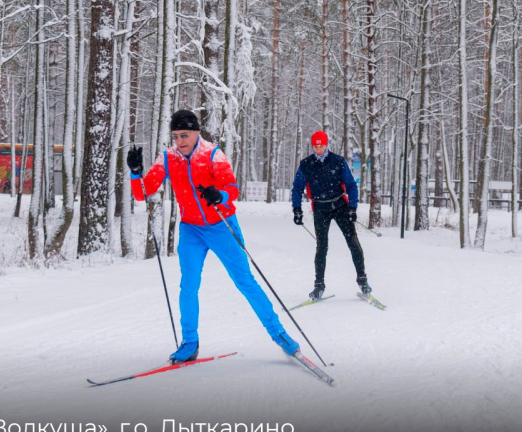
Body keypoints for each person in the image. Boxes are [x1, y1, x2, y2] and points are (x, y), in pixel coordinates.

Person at [127, 109, 300, 364]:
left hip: (221, 226)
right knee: (188, 285)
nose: (180, 141)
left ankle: (279, 334)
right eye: (175, 136)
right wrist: (135, 172)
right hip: (191, 230)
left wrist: (220, 195)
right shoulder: (168, 158)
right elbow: (143, 193)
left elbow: (232, 189)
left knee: (245, 282)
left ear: (196, 132)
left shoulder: (212, 155)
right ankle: (189, 342)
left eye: (184, 135)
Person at [291, 130, 370, 301]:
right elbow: (297, 188)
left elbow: (351, 185)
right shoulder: (306, 164)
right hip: (320, 208)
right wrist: (297, 209)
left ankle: (362, 280)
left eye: (321, 146)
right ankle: (319, 286)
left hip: (340, 206)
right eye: (315, 146)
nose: (318, 149)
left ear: (326, 145)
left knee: (353, 242)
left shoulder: (338, 161)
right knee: (322, 247)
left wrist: (352, 207)